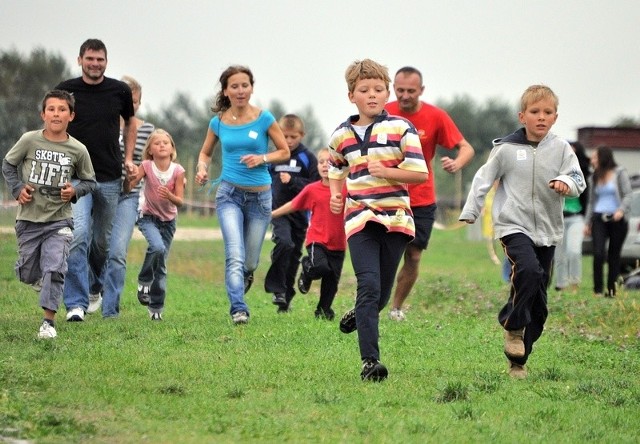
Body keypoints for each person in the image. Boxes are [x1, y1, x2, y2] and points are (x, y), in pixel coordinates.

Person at [459, 85, 586, 379]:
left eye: (548, 112)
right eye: (534, 112)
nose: (541, 117)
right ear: (522, 116)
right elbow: (483, 178)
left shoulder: (562, 149)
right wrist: (471, 210)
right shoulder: (506, 149)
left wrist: (567, 183)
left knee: (540, 308)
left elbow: (578, 178)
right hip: (513, 225)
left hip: (548, 230)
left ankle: (518, 360)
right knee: (527, 270)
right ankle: (513, 325)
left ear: (555, 117)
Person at [329, 59, 428, 382]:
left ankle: (361, 313)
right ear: (351, 96)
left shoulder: (402, 129)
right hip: (359, 218)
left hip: (397, 219)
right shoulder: (341, 134)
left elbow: (419, 173)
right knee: (368, 285)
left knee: (381, 295)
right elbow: (335, 166)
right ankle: (370, 362)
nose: (372, 95)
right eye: (364, 90)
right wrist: (335, 193)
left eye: (378, 90)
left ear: (387, 94)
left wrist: (387, 172)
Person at [195, 65, 289, 325]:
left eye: (244, 85)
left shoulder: (264, 118)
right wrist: (202, 168)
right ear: (225, 91)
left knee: (249, 261)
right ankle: (239, 308)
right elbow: (205, 152)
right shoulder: (218, 122)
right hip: (229, 195)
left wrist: (262, 158)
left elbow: (284, 151)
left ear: (251, 88)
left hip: (260, 199)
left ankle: (246, 275)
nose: (240, 91)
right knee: (234, 254)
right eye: (234, 86)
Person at [2, 90, 96, 338]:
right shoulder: (29, 140)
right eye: (51, 109)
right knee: (29, 272)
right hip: (29, 219)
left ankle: (48, 322)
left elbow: (90, 181)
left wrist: (73, 191)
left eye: (62, 109)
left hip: (60, 219)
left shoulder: (78, 149)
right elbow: (8, 164)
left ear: (71, 115)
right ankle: (40, 277)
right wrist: (17, 188)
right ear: (43, 114)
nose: (57, 113)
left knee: (55, 268)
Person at [384, 66, 475, 321]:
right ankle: (373, 302)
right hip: (387, 195)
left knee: (413, 256)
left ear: (421, 90)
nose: (404, 96)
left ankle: (396, 308)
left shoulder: (436, 116)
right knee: (386, 255)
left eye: (410, 91)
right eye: (400, 90)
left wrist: (457, 163)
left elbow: (465, 147)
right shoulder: (384, 112)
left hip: (422, 198)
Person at [55, 38, 136, 322]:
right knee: (77, 236)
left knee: (101, 242)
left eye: (100, 59)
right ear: (80, 60)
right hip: (75, 177)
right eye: (90, 58)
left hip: (110, 175)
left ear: (106, 61)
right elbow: (54, 123)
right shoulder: (66, 89)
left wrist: (128, 158)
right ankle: (75, 304)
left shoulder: (119, 90)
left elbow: (131, 121)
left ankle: (94, 287)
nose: (95, 64)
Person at [98, 75, 155, 318]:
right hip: (100, 191)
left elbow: (152, 163)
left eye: (134, 101)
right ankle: (92, 289)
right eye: (125, 100)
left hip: (128, 195)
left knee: (117, 251)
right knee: (96, 245)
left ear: (139, 103)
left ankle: (110, 310)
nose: (129, 105)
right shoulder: (102, 125)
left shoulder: (148, 130)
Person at [271, 148, 345, 320]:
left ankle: (323, 310)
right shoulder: (312, 189)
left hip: (339, 243)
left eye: (330, 162)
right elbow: (293, 204)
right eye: (321, 162)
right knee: (320, 267)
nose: (325, 165)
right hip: (317, 240)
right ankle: (307, 268)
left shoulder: (346, 188)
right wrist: (273, 214)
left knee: (332, 281)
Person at [124, 129, 184, 320]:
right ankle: (144, 280)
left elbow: (180, 201)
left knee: (162, 265)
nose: (162, 145)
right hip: (148, 216)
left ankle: (156, 307)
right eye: (157, 143)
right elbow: (129, 187)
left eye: (165, 142)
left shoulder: (178, 171)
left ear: (172, 148)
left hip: (169, 222)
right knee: (157, 248)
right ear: (150, 149)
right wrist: (129, 176)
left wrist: (170, 195)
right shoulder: (147, 166)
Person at [264, 114, 319, 313]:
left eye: (293, 137)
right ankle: (277, 289)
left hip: (300, 215)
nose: (288, 141)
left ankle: (285, 298)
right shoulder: (274, 157)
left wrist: (293, 181)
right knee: (284, 243)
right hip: (278, 212)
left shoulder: (307, 158)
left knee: (294, 255)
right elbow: (264, 180)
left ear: (301, 135)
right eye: (284, 136)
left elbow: (315, 186)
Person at [584, 145, 632, 298]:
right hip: (599, 218)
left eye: (595, 157)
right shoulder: (593, 177)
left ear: (603, 158)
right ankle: (597, 290)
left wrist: (621, 210)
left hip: (617, 219)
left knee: (614, 255)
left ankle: (611, 291)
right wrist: (587, 222)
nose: (592, 160)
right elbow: (591, 202)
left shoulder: (620, 173)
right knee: (598, 253)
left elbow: (628, 195)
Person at [553, 141, 591, 293]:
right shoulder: (555, 171)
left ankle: (575, 283)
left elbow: (588, 199)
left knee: (573, 251)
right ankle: (561, 285)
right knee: (559, 254)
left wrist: (588, 221)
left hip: (576, 218)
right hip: (558, 217)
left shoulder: (583, 175)